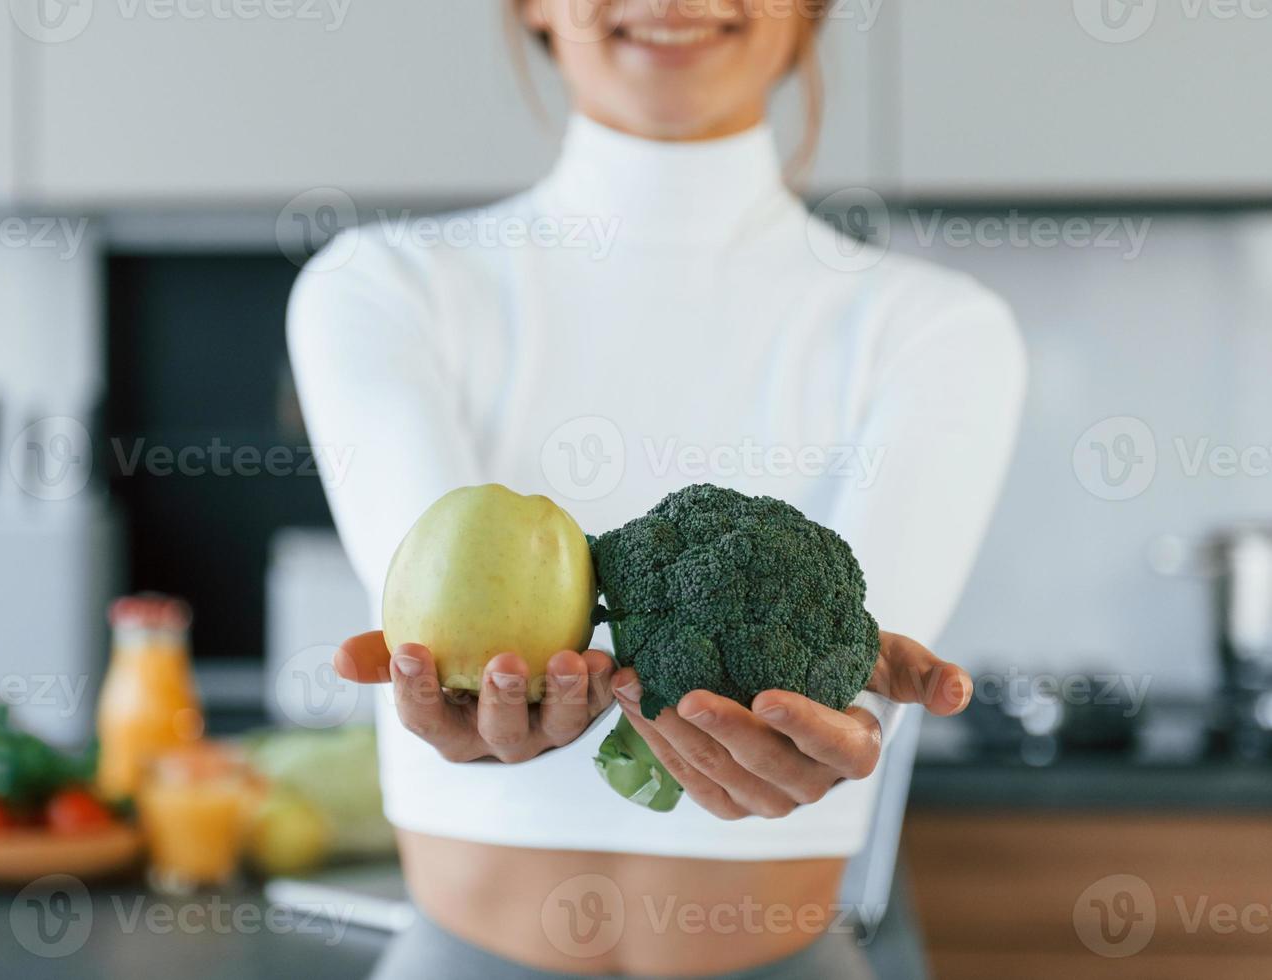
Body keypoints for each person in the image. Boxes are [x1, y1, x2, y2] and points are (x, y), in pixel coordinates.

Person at [287, 2, 1027, 976]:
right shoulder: (381, 286)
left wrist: (829, 707)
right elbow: (438, 619)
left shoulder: (941, 332)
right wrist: (466, 686)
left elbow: (839, 667)